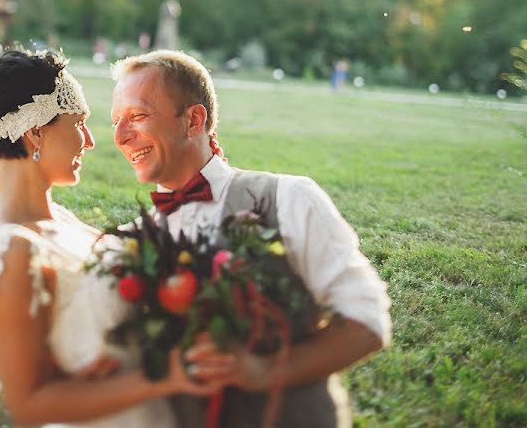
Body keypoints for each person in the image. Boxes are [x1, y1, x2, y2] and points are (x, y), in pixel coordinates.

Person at [109, 50, 391, 428]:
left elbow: (367, 322)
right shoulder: (135, 244)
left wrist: (265, 370)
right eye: (116, 121)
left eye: (138, 116)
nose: (120, 137)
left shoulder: (289, 199)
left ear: (193, 120)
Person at [0, 49, 218, 427]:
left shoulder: (60, 219)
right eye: (79, 123)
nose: (90, 140)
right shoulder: (14, 249)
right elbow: (28, 405)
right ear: (36, 133)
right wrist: (165, 374)